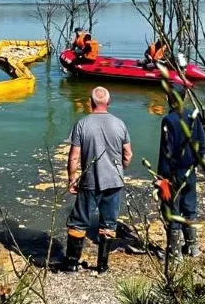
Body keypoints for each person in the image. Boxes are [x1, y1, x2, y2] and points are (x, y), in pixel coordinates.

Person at [63, 86, 132, 274]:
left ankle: (71, 264)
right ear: (108, 102)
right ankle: (102, 266)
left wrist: (72, 178)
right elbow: (128, 154)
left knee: (78, 221)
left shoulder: (82, 124)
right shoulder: (120, 124)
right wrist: (120, 169)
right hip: (114, 181)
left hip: (90, 181)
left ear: (90, 102)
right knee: (109, 223)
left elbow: (73, 157)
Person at [156, 82, 205, 260]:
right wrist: (195, 163)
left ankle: (174, 253)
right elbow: (202, 145)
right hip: (190, 170)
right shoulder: (194, 116)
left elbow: (166, 152)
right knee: (189, 207)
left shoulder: (168, 120)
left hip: (174, 173)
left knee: (172, 210)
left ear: (168, 98)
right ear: (184, 97)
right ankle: (193, 248)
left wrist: (162, 177)